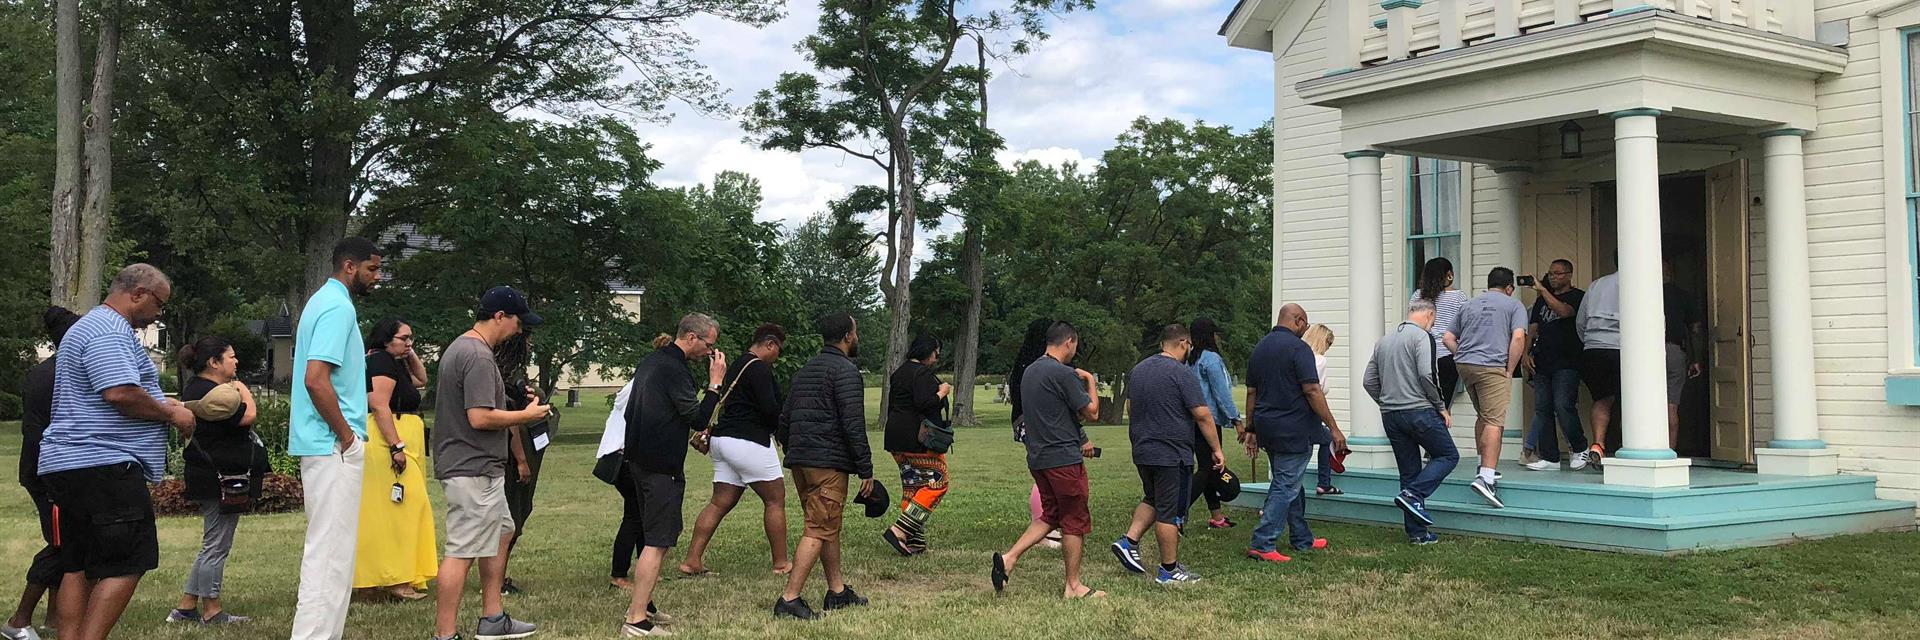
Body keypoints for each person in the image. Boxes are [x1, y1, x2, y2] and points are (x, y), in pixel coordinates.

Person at [36, 264, 195, 640]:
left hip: (70, 465)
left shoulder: (87, 327)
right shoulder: (109, 330)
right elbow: (120, 392)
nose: (159, 313)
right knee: (128, 561)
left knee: (78, 565)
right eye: (159, 304)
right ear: (137, 293)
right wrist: (172, 414)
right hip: (104, 463)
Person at [430, 286, 550, 640]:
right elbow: (480, 418)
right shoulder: (479, 356)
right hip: (472, 468)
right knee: (462, 552)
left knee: (503, 530)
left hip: (478, 466)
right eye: (517, 322)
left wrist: (513, 399)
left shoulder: (462, 348)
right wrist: (525, 416)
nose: (519, 330)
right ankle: (445, 634)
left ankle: (493, 618)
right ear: (499, 316)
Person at [289, 238, 382, 640]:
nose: (377, 277)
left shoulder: (322, 302)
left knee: (332, 554)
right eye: (372, 269)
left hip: (325, 445)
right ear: (349, 266)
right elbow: (315, 379)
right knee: (330, 557)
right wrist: (347, 437)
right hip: (332, 446)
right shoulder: (338, 307)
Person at [620, 314, 725, 636]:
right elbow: (697, 418)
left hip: (637, 461)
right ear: (691, 337)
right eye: (709, 345)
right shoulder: (674, 369)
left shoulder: (652, 361)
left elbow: (629, 410)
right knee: (658, 541)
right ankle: (636, 620)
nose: (711, 352)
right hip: (660, 467)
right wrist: (715, 384)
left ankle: (643, 602)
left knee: (654, 535)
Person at [991, 321, 1104, 600]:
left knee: (1051, 515)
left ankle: (1008, 559)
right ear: (1069, 342)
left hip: (1039, 457)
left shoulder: (1030, 371)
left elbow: (1058, 413)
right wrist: (1089, 379)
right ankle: (1073, 586)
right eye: (1075, 345)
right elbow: (1092, 412)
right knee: (1074, 520)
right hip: (1063, 458)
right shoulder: (1062, 373)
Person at [773, 313, 876, 620]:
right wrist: (865, 468)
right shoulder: (845, 371)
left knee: (827, 524)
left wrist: (794, 450)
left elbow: (784, 419)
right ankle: (789, 599)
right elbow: (852, 423)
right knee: (819, 528)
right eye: (855, 332)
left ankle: (838, 592)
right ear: (847, 336)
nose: (857, 337)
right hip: (827, 462)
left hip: (801, 462)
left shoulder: (806, 369)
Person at [1112, 325, 1222, 585]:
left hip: (1143, 449)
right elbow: (1203, 415)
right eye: (1189, 347)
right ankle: (1169, 570)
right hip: (1171, 453)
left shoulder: (1138, 370)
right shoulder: (1181, 373)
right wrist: (1216, 449)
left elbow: (1130, 406)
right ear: (1183, 343)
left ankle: (1128, 542)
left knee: (1153, 497)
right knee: (1169, 511)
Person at [679, 324, 792, 576]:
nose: (778, 357)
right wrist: (781, 430)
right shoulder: (759, 368)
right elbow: (770, 408)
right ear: (770, 344)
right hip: (748, 440)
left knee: (719, 502)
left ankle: (692, 559)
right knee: (775, 499)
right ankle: (782, 563)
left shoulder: (738, 364)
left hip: (721, 441)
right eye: (778, 351)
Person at [169, 337, 267, 625]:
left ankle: (186, 607)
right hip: (219, 478)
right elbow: (248, 416)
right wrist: (244, 389)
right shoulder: (216, 394)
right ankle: (211, 610)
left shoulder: (200, 389)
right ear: (214, 362)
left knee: (213, 541)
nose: (236, 362)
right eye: (231, 357)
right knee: (216, 545)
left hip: (212, 474)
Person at [1241, 304, 1340, 563]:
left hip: (1267, 428)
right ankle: (1263, 543)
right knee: (1285, 485)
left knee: (1291, 483)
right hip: (1294, 429)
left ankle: (1301, 538)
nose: (1305, 329)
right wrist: (1333, 427)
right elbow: (1312, 391)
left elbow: (1252, 393)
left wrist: (1251, 428)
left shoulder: (1260, 348)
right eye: (1304, 324)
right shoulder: (1300, 350)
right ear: (1297, 321)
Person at [4, 307, 79, 640]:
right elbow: (34, 429)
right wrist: (55, 473)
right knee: (62, 544)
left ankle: (54, 615)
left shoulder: (56, 372)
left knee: (65, 540)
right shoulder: (49, 376)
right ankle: (19, 620)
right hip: (49, 474)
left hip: (55, 471)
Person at [1364, 298, 1460, 545]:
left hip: (1391, 415)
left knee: (1409, 470)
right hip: (1419, 411)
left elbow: (1369, 381)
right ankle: (1414, 494)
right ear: (1429, 314)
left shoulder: (1383, 341)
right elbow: (1428, 374)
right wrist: (1441, 406)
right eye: (1434, 320)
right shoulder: (1421, 337)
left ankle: (1417, 533)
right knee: (1448, 455)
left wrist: (1386, 401)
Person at [354, 318, 437, 601]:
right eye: (404, 338)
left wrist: (409, 352)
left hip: (401, 438)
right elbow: (379, 404)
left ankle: (378, 580)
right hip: (386, 441)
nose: (409, 343)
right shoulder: (380, 362)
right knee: (399, 509)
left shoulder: (394, 361)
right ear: (386, 340)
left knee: (395, 510)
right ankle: (395, 579)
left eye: (411, 338)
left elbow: (422, 379)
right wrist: (395, 446)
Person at [1442, 267, 1529, 508]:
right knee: (1494, 420)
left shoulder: (1469, 304)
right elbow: (1519, 337)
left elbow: (1448, 337)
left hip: (1465, 366)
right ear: (1509, 288)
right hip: (1492, 366)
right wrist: (1510, 370)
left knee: (1483, 415)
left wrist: (1464, 356)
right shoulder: (1514, 306)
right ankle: (1486, 478)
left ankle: (1483, 463)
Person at [882, 335, 953, 556]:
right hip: (917, 438)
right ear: (928, 351)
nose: (937, 356)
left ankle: (914, 541)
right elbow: (925, 403)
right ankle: (900, 530)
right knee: (938, 481)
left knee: (913, 488)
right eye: (936, 351)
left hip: (895, 437)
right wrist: (942, 392)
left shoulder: (899, 373)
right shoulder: (922, 373)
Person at [1522, 260, 1590, 472]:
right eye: (1550, 274)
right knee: (1543, 409)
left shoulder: (1578, 296)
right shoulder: (1541, 301)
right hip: (1543, 360)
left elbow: (1564, 312)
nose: (1552, 277)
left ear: (1569, 275)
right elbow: (1533, 328)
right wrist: (1525, 354)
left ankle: (1580, 447)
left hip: (1567, 360)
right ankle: (1550, 457)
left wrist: (1542, 290)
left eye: (1558, 274)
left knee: (1563, 405)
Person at [498, 331, 548, 596]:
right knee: (512, 514)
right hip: (514, 451)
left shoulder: (516, 373)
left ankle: (499, 575)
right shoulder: (505, 376)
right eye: (526, 341)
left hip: (526, 445)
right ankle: (497, 578)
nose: (530, 345)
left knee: (519, 512)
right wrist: (521, 460)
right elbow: (511, 419)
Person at [1007, 319, 1062, 549]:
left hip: (1022, 423)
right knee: (1047, 475)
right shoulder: (1041, 367)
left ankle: (1045, 524)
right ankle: (1043, 526)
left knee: (1043, 474)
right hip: (1039, 424)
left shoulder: (1022, 364)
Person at [1184, 317, 1243, 528]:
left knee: (1207, 468)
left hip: (1189, 421)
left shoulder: (1189, 359)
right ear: (1210, 335)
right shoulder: (1211, 359)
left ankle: (1217, 517)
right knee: (1208, 468)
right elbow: (1222, 394)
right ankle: (1177, 513)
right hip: (1207, 421)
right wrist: (1237, 419)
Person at [1576, 266, 1623, 469]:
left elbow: (1580, 322)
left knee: (1602, 399)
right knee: (1629, 402)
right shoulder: (1640, 282)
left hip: (1593, 349)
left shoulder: (1596, 285)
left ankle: (1598, 444)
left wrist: (1590, 341)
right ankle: (1628, 447)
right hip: (1623, 349)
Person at [1412, 257, 1470, 409]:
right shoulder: (1459, 297)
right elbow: (1465, 327)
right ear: (1449, 274)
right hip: (1447, 354)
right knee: (1443, 405)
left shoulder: (1418, 296)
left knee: (1422, 403)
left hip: (1421, 353)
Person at [1662, 258, 1706, 451]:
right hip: (1674, 349)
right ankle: (1670, 451)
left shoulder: (1642, 293)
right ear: (1671, 272)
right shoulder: (1683, 296)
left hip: (1643, 352)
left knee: (1640, 402)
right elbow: (1695, 328)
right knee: (1671, 405)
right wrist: (1696, 358)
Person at [602, 379, 642, 589]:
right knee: (634, 516)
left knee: (642, 514)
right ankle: (618, 575)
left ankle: (644, 567)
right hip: (623, 457)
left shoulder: (635, 384)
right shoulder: (642, 386)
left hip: (619, 454)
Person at [1300, 324, 1340, 495]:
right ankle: (1324, 481)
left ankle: (1324, 482)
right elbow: (1317, 390)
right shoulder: (1320, 360)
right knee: (1329, 438)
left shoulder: (1300, 356)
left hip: (1296, 413)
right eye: (1328, 344)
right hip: (1311, 414)